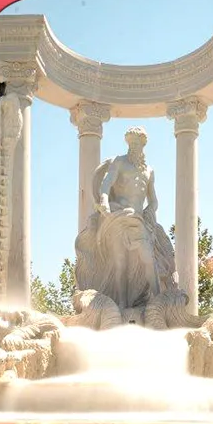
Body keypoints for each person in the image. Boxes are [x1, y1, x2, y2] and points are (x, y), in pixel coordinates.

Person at [75, 127, 178, 309]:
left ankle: (157, 299)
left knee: (148, 258)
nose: (133, 146)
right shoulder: (119, 162)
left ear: (143, 144)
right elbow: (106, 186)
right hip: (118, 217)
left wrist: (150, 211)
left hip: (138, 220)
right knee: (119, 262)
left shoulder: (149, 171)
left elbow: (153, 200)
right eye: (131, 143)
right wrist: (104, 201)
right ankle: (121, 305)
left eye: (137, 143)